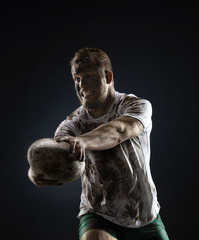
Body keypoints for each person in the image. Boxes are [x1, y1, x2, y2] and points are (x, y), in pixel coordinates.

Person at [28, 47, 169, 240]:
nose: (81, 84)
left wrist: (82, 141)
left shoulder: (135, 105)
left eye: (88, 76)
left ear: (108, 76)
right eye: (77, 78)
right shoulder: (72, 123)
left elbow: (119, 131)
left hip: (143, 213)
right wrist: (34, 172)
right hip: (98, 212)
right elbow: (54, 152)